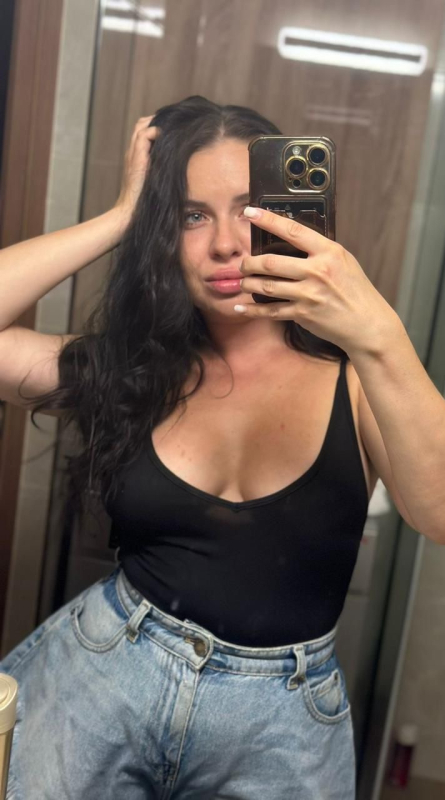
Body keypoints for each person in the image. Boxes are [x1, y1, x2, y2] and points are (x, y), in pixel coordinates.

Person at [0, 95, 384, 799]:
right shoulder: (131, 369)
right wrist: (121, 217)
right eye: (190, 216)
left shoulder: (359, 380)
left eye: (247, 210)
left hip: (283, 724)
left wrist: (375, 328)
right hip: (106, 672)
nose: (226, 244)